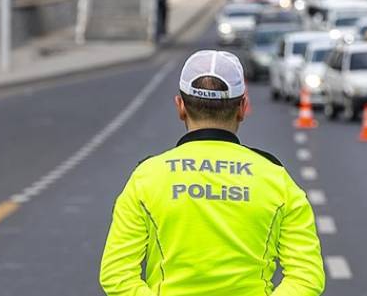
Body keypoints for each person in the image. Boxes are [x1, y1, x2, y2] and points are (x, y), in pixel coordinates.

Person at [100, 50, 325, 296]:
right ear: (242, 107)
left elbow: (116, 274)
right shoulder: (276, 178)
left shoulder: (147, 177)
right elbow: (307, 277)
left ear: (181, 107)